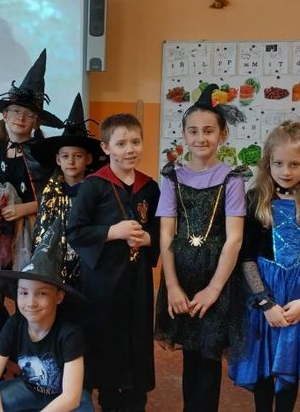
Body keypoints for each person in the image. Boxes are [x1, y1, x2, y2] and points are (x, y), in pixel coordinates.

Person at [154, 84, 247, 412]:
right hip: (181, 276)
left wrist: (214, 289)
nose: (200, 138)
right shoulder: (172, 177)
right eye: (193, 131)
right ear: (184, 134)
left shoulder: (233, 179)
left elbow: (234, 239)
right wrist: (172, 285)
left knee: (209, 358)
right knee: (189, 357)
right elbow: (166, 233)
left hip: (216, 279)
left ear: (222, 134)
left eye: (209, 131)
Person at [228, 121, 300, 412]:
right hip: (265, 298)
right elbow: (246, 257)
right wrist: (264, 302)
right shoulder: (255, 200)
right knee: (263, 369)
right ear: (268, 163)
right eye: (278, 163)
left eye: (294, 164)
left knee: (289, 371)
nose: (286, 171)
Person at [66, 113, 160, 411]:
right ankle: (108, 398)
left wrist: (148, 238)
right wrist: (112, 232)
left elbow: (161, 228)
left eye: (135, 142)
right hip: (103, 283)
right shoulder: (94, 185)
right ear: (106, 148)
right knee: (106, 339)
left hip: (137, 280)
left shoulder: (150, 187)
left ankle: (136, 401)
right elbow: (75, 230)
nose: (130, 149)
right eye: (121, 144)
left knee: (137, 337)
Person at [0, 49, 63, 327]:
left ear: (36, 122)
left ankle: (23, 334)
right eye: (16, 112)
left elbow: (54, 197)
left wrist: (24, 209)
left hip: (29, 232)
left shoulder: (43, 154)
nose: (21, 118)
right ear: (5, 115)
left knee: (22, 287)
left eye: (29, 115)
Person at [0, 217, 93, 412]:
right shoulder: (15, 325)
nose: (31, 302)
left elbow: (71, 398)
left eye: (42, 293)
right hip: (28, 390)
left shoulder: (69, 333)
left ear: (58, 296)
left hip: (65, 399)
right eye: (24, 293)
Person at [29, 92, 105, 288]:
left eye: (77, 156)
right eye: (65, 156)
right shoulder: (50, 192)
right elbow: (42, 230)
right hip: (53, 267)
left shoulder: (96, 191)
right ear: (58, 159)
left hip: (86, 268)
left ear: (88, 159)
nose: (71, 161)